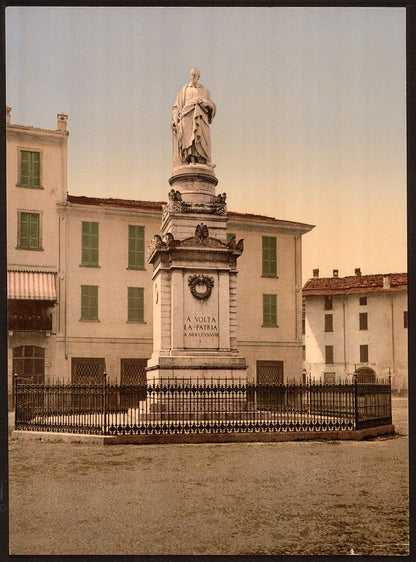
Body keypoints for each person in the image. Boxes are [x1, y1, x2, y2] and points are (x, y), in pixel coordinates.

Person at [172, 68, 216, 166]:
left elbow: (212, 106)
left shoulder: (205, 91)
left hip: (201, 119)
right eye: (191, 74)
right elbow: (176, 107)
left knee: (201, 137)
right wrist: (175, 119)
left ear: (198, 77)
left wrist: (206, 104)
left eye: (195, 75)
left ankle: (203, 159)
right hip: (187, 117)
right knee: (189, 139)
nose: (193, 77)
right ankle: (191, 159)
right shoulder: (184, 90)